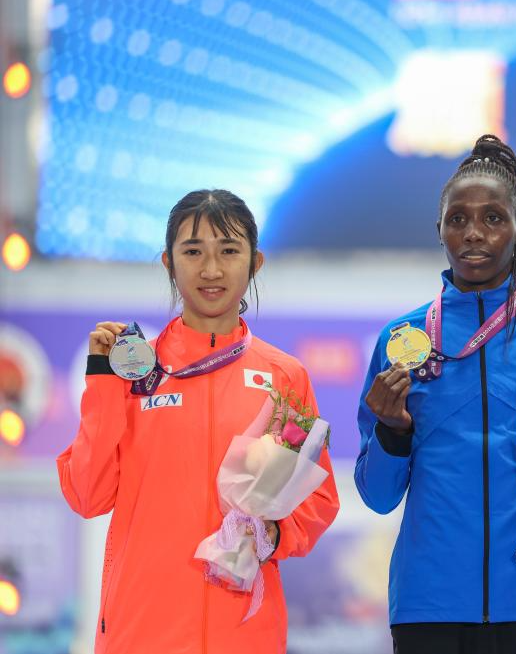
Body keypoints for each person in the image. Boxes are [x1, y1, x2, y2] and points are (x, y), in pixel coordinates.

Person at [57, 189, 340, 654]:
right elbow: (88, 495)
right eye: (193, 252)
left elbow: (318, 498)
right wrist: (104, 382)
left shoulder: (284, 376)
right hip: (141, 631)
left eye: (229, 251)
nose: (211, 270)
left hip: (245, 632)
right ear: (168, 263)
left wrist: (274, 534)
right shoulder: (134, 372)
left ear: (255, 263)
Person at [356, 135, 516, 654]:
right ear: (439, 230)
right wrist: (392, 431)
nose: (473, 233)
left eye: (493, 218)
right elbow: (377, 496)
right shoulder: (402, 342)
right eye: (457, 219)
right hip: (431, 607)